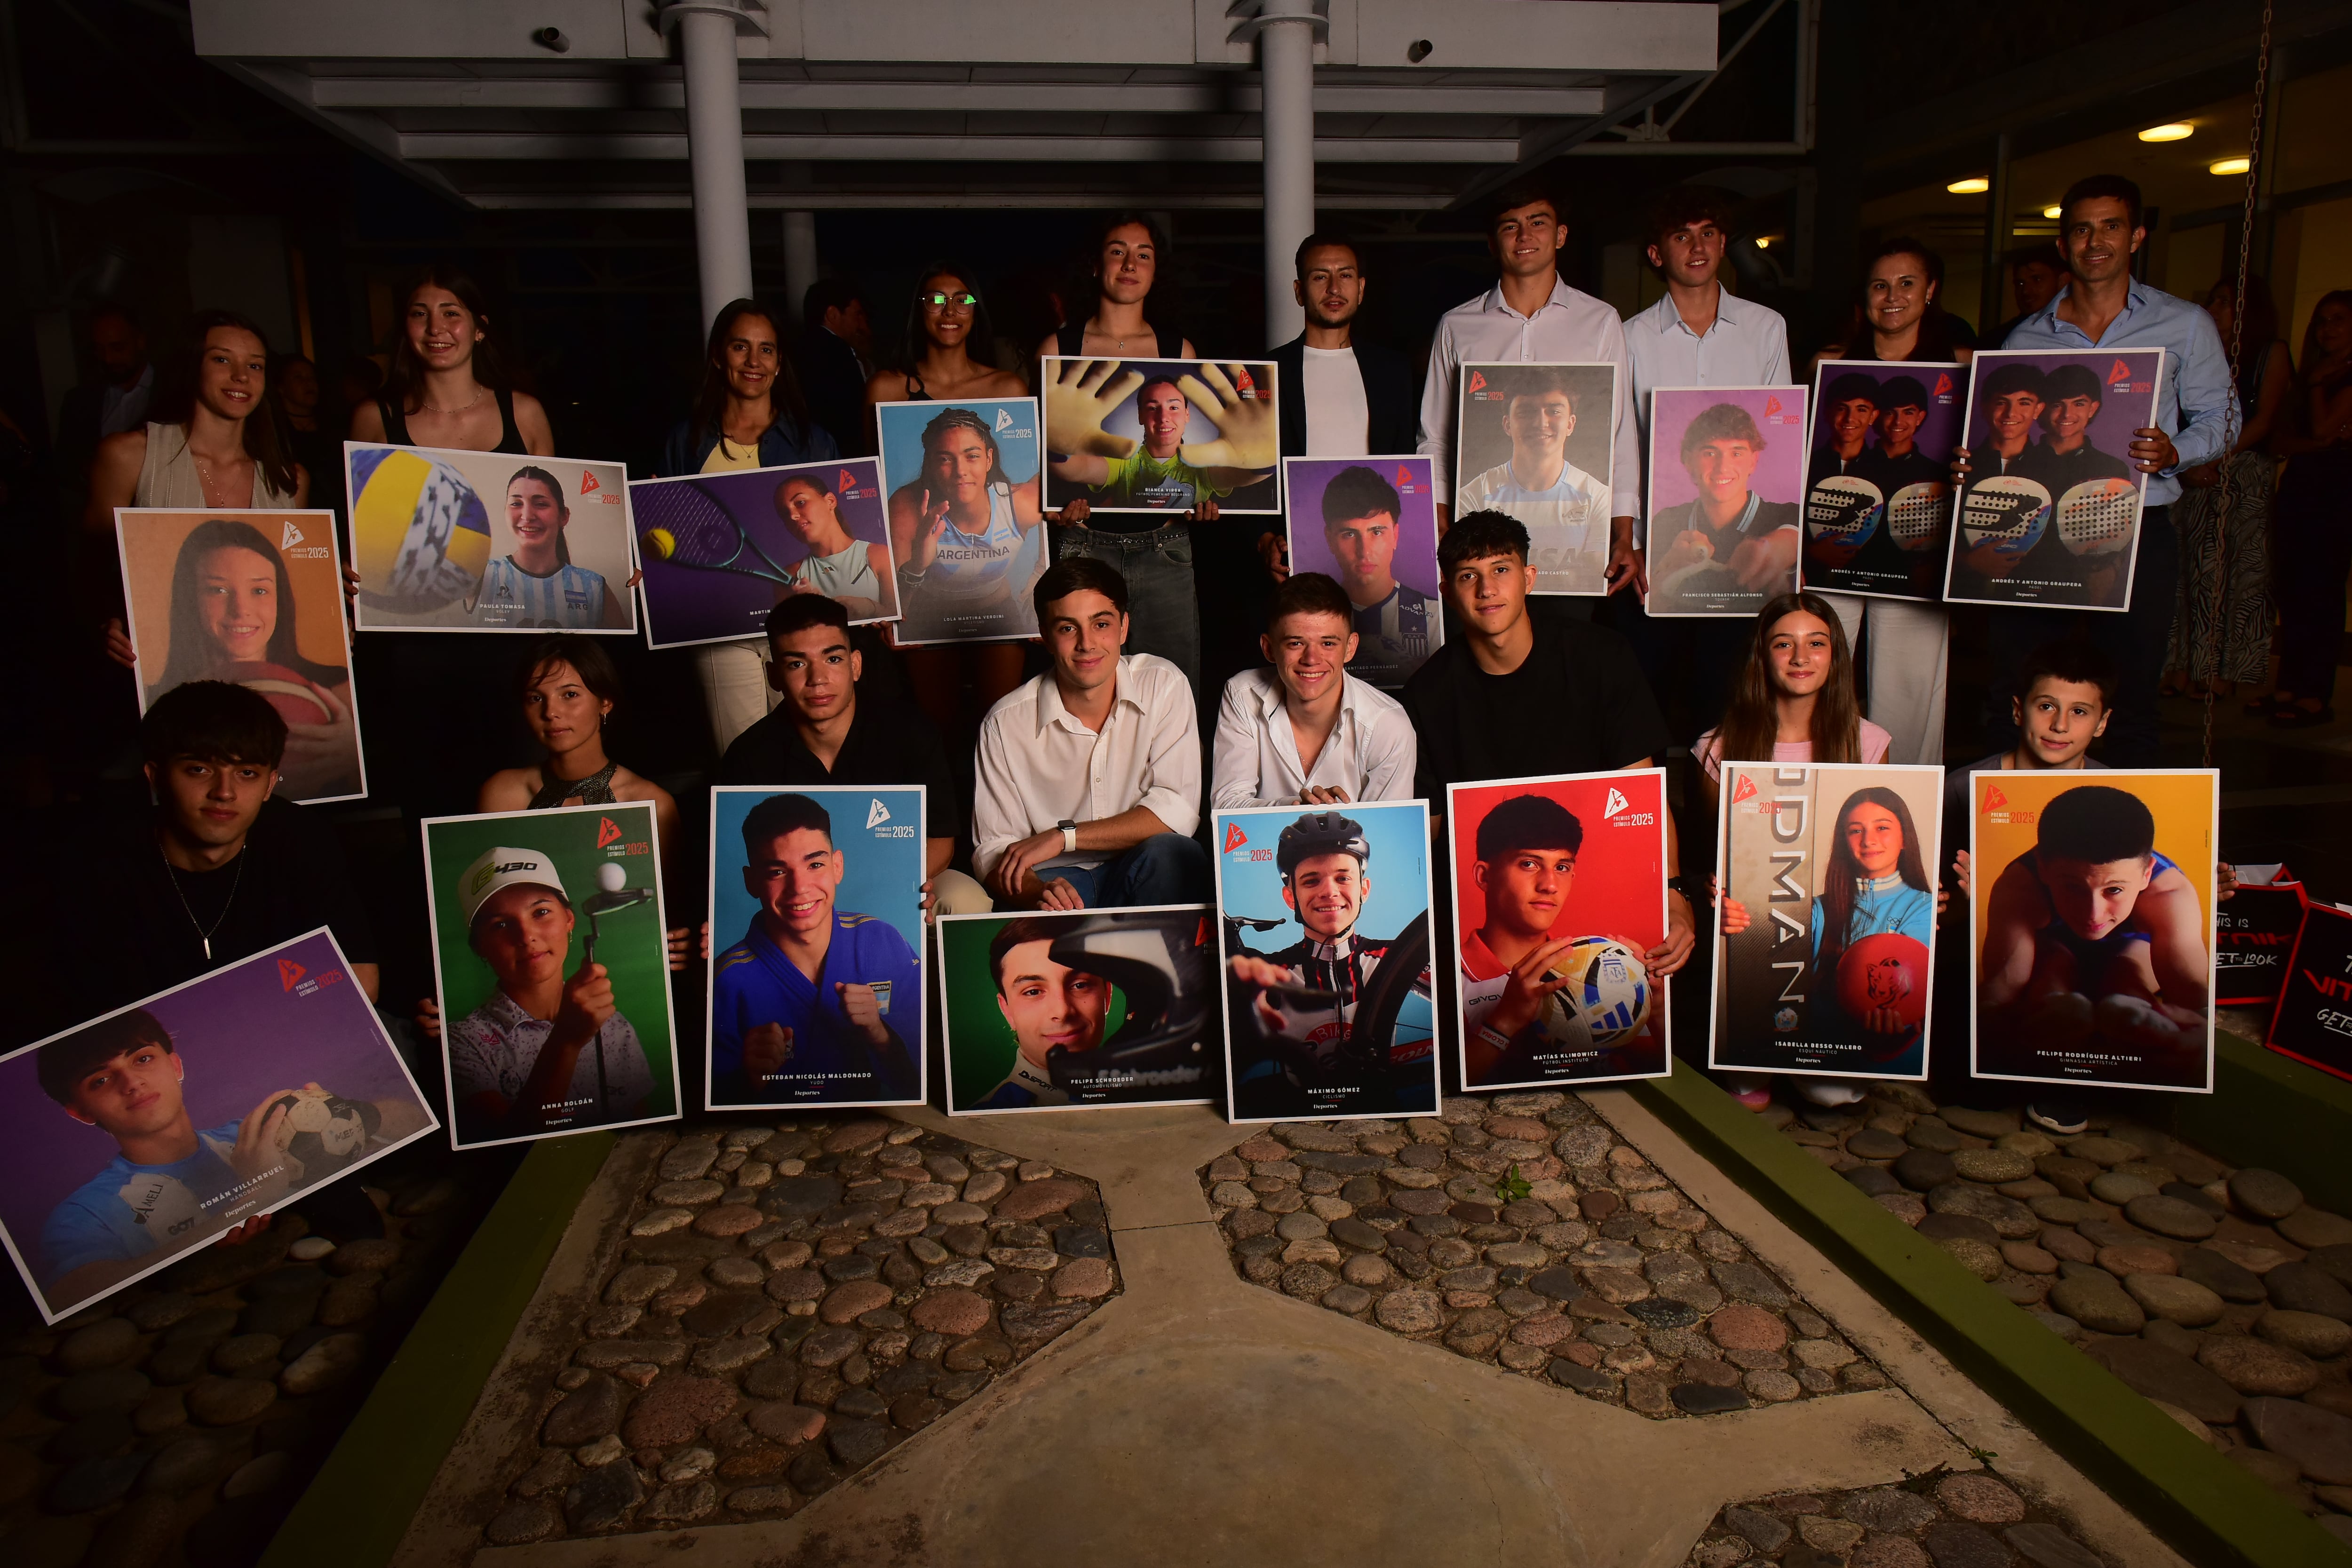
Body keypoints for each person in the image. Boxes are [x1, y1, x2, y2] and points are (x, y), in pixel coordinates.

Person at [1975, 175, 2239, 764]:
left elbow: (2222, 418)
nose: (2095, 241)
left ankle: (2119, 843)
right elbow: (2004, 438)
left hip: (2137, 530)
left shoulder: (2184, 324)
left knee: (2131, 693)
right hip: (2037, 530)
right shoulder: (2024, 339)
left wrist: (2175, 452)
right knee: (2018, 689)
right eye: (2080, 229)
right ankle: (1999, 831)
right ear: (2063, 243)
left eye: (2110, 227)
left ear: (2136, 236)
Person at [1401, 510, 1696, 979]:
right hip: (1485, 909)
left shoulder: (1601, 657)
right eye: (1467, 576)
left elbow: (1641, 798)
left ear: (1528, 578)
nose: (1486, 589)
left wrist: (1673, 894)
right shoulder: (1426, 695)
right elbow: (1428, 834)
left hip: (1594, 877)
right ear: (1445, 592)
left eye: (1500, 570)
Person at [40, 682, 380, 1032]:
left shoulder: (301, 836)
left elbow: (361, 980)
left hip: (293, 1034)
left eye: (247, 773)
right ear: (156, 777)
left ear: (270, 784)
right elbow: (110, 1024)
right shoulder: (97, 860)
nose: (224, 792)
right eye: (199, 769)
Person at [33, 1010, 410, 1306]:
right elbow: (70, 1294)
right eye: (100, 1080)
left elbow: (408, 1117)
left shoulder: (258, 1133)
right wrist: (253, 1198)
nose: (131, 1083)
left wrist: (349, 1114)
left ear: (176, 1066)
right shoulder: (85, 1212)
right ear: (80, 1112)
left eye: (143, 1059)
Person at [1620, 189, 1794, 738]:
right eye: (1680, 236)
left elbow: (1778, 432)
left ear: (1722, 244)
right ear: (1656, 254)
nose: (1696, 247)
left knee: (1725, 708)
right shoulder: (1629, 337)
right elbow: (1619, 445)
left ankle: (1712, 818)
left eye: (1708, 233)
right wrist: (1631, 540)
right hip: (1655, 545)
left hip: (1743, 550)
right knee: (1642, 699)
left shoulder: (1765, 328)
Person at [1417, 183, 1638, 604]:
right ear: (1492, 241)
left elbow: (1620, 432)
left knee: (1565, 660)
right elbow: (1435, 435)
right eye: (1510, 227)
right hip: (1479, 546)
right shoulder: (1457, 326)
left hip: (1577, 547)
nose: (1525, 237)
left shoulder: (1600, 321)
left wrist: (1624, 533)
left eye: (1538, 223)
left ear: (1560, 235)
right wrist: (1440, 520)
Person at [1036, 215, 1220, 686]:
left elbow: (1192, 458)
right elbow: (1032, 453)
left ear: (1156, 270)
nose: (1129, 263)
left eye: (1143, 254)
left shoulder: (1177, 348)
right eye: (1117, 251)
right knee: (1084, 692)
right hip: (1083, 543)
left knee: (1171, 695)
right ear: (1096, 266)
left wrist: (1205, 496)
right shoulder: (1059, 347)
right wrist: (1054, 502)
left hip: (1164, 544)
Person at [720, 595, 988, 916]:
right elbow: (737, 866)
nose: (817, 678)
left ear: (856, 665)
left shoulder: (911, 732)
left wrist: (899, 883)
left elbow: (941, 839)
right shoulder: (749, 755)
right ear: (773, 676)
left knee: (964, 901)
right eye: (797, 664)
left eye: (833, 659)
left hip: (899, 879)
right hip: (801, 895)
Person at [1810, 238, 1971, 766]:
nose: (1893, 296)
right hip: (1835, 551)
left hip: (1915, 551)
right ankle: (1817, 786)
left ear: (1930, 292)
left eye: (1906, 283)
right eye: (1880, 285)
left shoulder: (1963, 366)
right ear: (1864, 296)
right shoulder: (1828, 365)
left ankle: (1909, 808)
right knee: (1815, 677)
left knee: (1908, 688)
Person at [971, 557, 1208, 910]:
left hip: (1145, 869)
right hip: (1058, 882)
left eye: (1101, 624)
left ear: (1124, 627)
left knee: (1175, 854)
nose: (1087, 643)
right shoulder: (1004, 724)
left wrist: (1063, 836)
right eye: (1068, 628)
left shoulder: (1164, 684)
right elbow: (993, 850)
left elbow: (1177, 812)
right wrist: (1039, 891)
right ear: (1045, 636)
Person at [658, 298, 839, 750]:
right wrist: (651, 564)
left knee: (815, 750)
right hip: (722, 628)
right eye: (741, 347)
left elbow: (839, 539)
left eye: (767, 350)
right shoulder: (687, 442)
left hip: (805, 625)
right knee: (741, 755)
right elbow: (664, 541)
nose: (754, 361)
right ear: (719, 356)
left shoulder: (814, 442)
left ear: (780, 363)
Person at [866, 263, 1035, 727]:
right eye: (936, 299)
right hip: (926, 603)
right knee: (932, 726)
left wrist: (1041, 601)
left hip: (998, 606)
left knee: (1002, 728)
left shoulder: (1007, 388)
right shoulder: (887, 389)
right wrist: (887, 607)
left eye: (961, 298)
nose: (949, 310)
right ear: (918, 311)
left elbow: (1054, 505)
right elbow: (868, 495)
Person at [1974, 784, 2209, 1070]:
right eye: (2073, 888)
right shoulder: (2020, 887)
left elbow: (2193, 1005)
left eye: (2114, 891)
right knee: (2052, 966)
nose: (2092, 913)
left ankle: (2131, 1005)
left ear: (2147, 874)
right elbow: (2001, 991)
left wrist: (2193, 1041)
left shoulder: (2170, 897)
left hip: (2133, 952)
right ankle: (2056, 1003)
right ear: (2043, 868)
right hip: (2053, 948)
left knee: (2129, 968)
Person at [710, 792, 922, 1105]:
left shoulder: (882, 941)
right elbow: (713, 1109)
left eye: (815, 864)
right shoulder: (727, 978)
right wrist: (749, 1078)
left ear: (837, 866)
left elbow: (923, 1081)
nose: (800, 888)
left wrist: (880, 1034)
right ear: (751, 880)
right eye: (777, 872)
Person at [1224, 811, 1434, 1118]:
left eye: (1343, 877)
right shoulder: (1271, 970)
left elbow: (1469, 993)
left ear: (1364, 889)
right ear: (1290, 897)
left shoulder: (1397, 958)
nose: (1329, 891)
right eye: (1311, 880)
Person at [445, 844, 659, 1144]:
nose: (526, 936)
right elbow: (508, 1155)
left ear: (569, 920)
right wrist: (566, 1041)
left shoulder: (614, 1026)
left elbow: (641, 1137)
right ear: (479, 946)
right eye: (501, 925)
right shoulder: (461, 1043)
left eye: (541, 912)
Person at [135, 517, 360, 800]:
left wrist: (352, 755)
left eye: (259, 590)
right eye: (217, 590)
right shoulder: (156, 701)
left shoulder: (339, 689)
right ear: (190, 599)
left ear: (281, 599)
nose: (241, 610)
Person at [1720, 787, 1937, 1079]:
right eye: (1855, 831)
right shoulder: (1816, 909)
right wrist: (1735, 916)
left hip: (1891, 1065)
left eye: (1882, 828)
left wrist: (1888, 1041)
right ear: (1843, 842)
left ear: (1905, 839)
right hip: (1817, 1050)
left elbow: (1916, 991)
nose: (1869, 840)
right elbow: (1768, 970)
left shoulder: (1926, 908)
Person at [1457, 793, 1655, 1085]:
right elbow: (1441, 1089)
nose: (1550, 885)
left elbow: (1651, 1071)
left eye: (1562, 867)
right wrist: (1505, 1021)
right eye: (1529, 864)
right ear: (1484, 876)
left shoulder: (1595, 965)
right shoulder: (1440, 978)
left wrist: (1654, 1011)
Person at [1264, 234, 1420, 584]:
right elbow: (1251, 467)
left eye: (1345, 276)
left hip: (1372, 548)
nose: (1334, 288)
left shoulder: (1392, 370)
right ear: (1299, 291)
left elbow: (1403, 460)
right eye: (1320, 277)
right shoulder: (1268, 370)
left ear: (1361, 288)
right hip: (1297, 548)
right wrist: (1263, 539)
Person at [2169, 275, 2286, 702]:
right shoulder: (2199, 349)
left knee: (2234, 575)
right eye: (2212, 300)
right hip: (2192, 472)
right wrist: (2186, 463)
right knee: (2189, 572)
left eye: (2225, 302)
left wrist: (2212, 457)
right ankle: (2182, 665)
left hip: (2241, 471)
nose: (2215, 309)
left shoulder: (2270, 353)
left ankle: (2222, 671)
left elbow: (2264, 419)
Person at [85, 310, 309, 530]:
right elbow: (97, 560)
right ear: (193, 366)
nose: (241, 376)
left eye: (255, 366)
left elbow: (299, 566)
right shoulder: (129, 457)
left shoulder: (290, 481)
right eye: (222, 360)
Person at [1211, 572, 1415, 810]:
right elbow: (1225, 812)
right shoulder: (1242, 696)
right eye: (1296, 643)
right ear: (1268, 648)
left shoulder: (1389, 724)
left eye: (1328, 644)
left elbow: (1388, 832)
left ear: (1350, 648)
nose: (1311, 659)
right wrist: (1299, 807)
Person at [476, 636, 679, 847]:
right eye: (535, 698)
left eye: (570, 694)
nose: (551, 712)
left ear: (605, 702)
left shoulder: (650, 805)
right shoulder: (501, 795)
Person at [1694, 591, 1892, 804]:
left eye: (1816, 644)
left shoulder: (1870, 743)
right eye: (1784, 645)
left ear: (1835, 655)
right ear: (1762, 657)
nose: (1800, 658)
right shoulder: (1715, 749)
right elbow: (1712, 835)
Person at [2262, 290, 2352, 726]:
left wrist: (2318, 388)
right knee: (2293, 589)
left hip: (2339, 494)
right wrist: (2317, 441)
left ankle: (2315, 692)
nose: (2328, 328)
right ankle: (2291, 684)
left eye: (2339, 320)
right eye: (2322, 320)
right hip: (2300, 487)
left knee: (2323, 592)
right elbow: (2281, 441)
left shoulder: (2337, 377)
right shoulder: (2311, 372)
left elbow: (2323, 426)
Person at [351, 268, 554, 457]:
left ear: (479, 329)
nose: (435, 328)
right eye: (420, 314)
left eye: (451, 314)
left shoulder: (525, 414)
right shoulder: (374, 419)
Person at [887, 405, 1046, 646]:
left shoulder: (1021, 503)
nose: (961, 471)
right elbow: (897, 607)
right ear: (930, 464)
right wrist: (918, 565)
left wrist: (1039, 576)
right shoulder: (907, 506)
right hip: (930, 615)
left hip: (998, 614)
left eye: (972, 456)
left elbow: (1064, 494)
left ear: (989, 459)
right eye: (945, 459)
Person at [1452, 367, 1613, 589]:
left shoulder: (1598, 497)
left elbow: (1594, 579)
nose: (1541, 423)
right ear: (1507, 424)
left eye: (1554, 412)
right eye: (1526, 412)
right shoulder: (1473, 496)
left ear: (1570, 424)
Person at [1645, 402, 1798, 614]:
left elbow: (1792, 538)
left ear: (1753, 461)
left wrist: (1774, 549)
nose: (1722, 467)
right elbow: (1651, 605)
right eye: (1710, 453)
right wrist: (1665, 577)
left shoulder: (1789, 514)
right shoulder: (1666, 520)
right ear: (1688, 461)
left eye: (1737, 453)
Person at [968, 916, 1112, 1110]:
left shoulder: (1151, 1089)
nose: (1062, 1012)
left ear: (1107, 996)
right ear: (1007, 1011)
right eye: (1033, 992)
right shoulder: (985, 1117)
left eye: (1080, 985)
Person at [1314, 463, 1432, 688]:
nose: (1364, 551)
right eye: (1349, 534)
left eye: (1376, 532)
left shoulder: (1434, 617)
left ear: (1396, 536)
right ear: (1329, 539)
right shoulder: (1310, 620)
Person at [473, 464, 628, 629]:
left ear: (564, 516)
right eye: (516, 504)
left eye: (540, 504)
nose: (527, 516)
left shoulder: (594, 586)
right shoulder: (481, 574)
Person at [772, 470, 892, 620]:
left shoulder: (881, 556)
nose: (793, 516)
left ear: (830, 501)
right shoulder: (789, 577)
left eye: (800, 503)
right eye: (785, 513)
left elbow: (901, 625)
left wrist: (872, 608)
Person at [57, 304, 154, 480]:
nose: (108, 359)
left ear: (140, 341)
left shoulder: (175, 392)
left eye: (117, 348)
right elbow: (65, 467)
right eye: (99, 349)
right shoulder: (79, 401)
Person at [796, 278, 874, 456]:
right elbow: (853, 414)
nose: (861, 323)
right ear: (832, 315)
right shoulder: (839, 352)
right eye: (857, 314)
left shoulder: (798, 348)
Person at [1993, 244, 2067, 347]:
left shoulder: (2078, 329)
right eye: (2020, 284)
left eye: (2037, 280)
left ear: (2063, 281)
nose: (2026, 291)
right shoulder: (1999, 339)